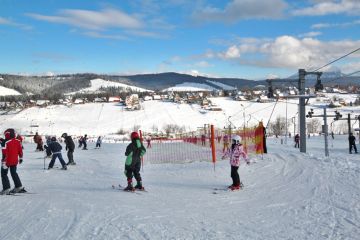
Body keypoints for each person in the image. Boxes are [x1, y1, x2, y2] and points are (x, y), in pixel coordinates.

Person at [1, 129, 24, 195]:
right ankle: (18, 186)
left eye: (5, 134)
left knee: (3, 174)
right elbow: (20, 150)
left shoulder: (5, 142)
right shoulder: (18, 141)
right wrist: (21, 158)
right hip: (14, 161)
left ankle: (6, 188)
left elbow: (4, 153)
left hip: (7, 161)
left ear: (7, 134)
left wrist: (4, 162)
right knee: (14, 173)